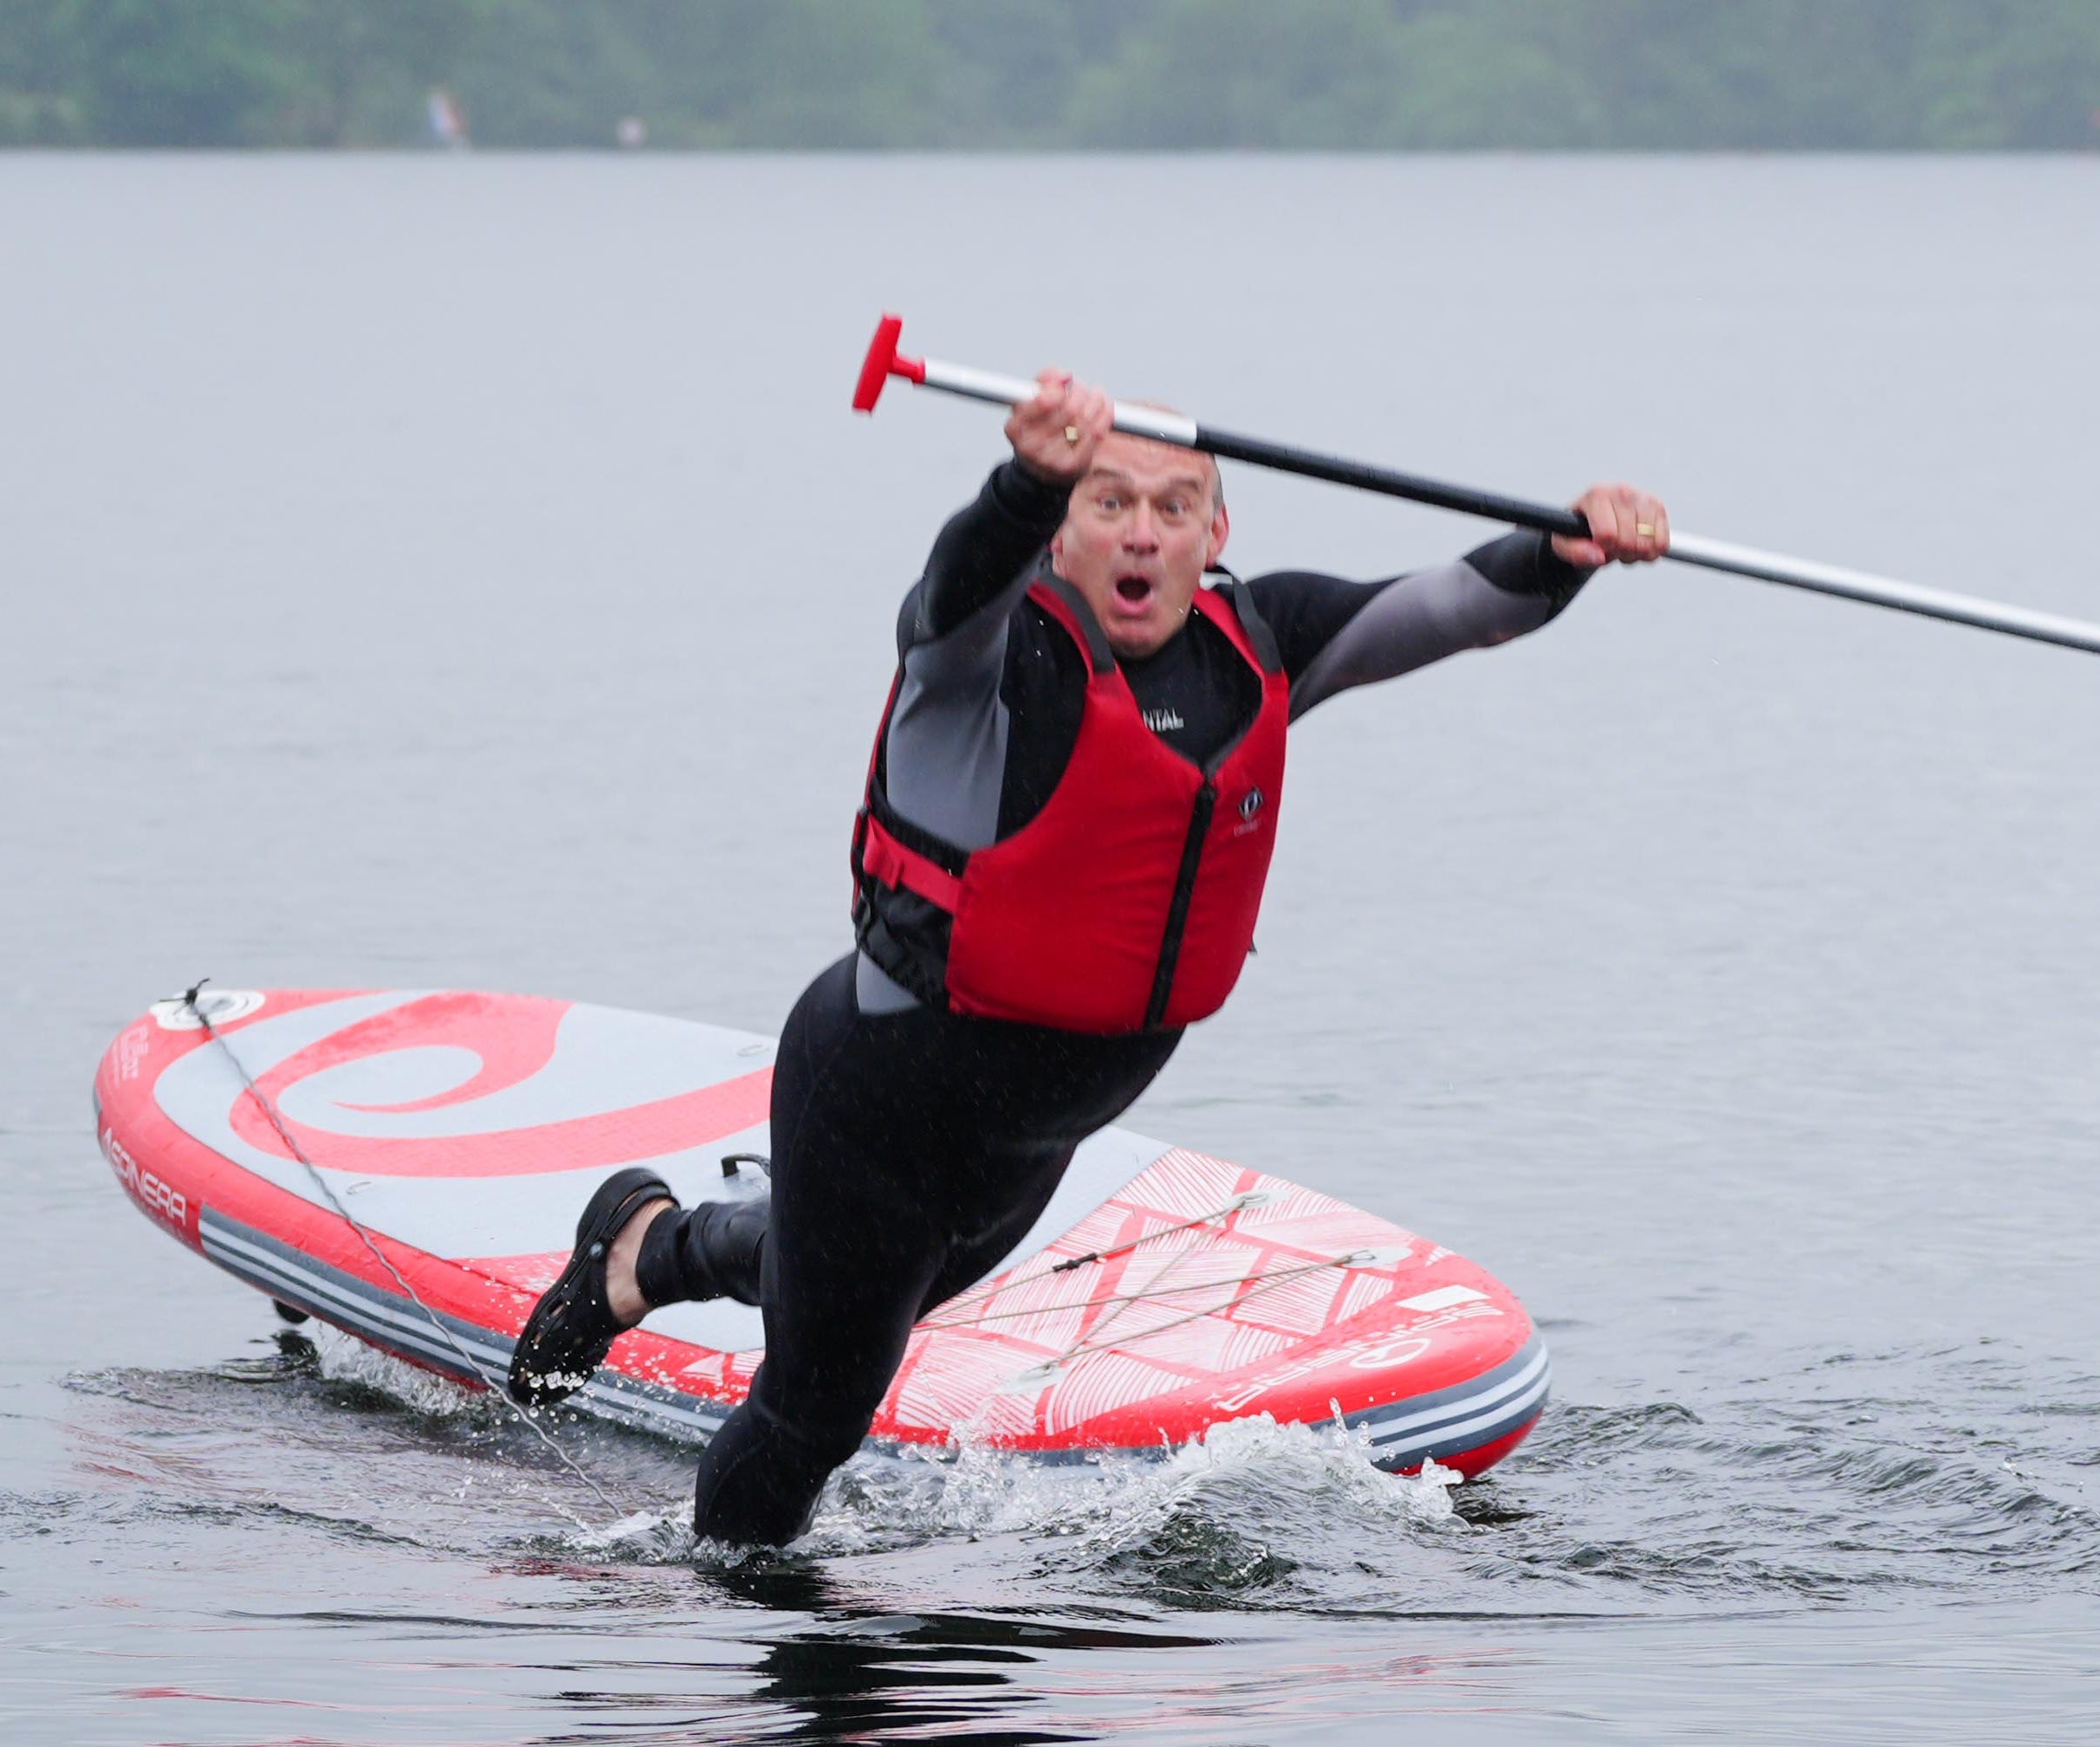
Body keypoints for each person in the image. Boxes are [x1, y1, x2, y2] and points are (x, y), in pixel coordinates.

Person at [508, 369, 1670, 1543]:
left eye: (1173, 508)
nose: (1141, 532)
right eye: (1107, 501)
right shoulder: (987, 658)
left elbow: (1453, 603)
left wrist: (1568, 548)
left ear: (1214, 534)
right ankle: (745, 1633)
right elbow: (948, 592)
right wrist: (1022, 482)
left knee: (849, 1284)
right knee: (815, 1410)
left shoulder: (1256, 647)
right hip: (877, 1092)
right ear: (1062, 528)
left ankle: (641, 1250)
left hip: (1029, 1143)